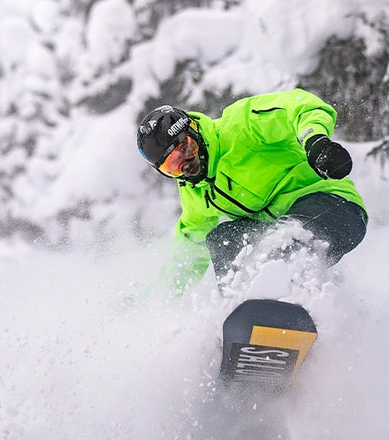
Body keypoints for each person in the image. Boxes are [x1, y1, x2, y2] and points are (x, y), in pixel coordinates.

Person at [136, 89, 367, 296]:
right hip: (279, 228)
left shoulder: (239, 126)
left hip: (335, 206)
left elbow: (298, 106)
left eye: (186, 148)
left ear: (194, 132)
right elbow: (187, 253)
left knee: (282, 241)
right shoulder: (196, 192)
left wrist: (315, 141)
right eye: (172, 166)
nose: (187, 164)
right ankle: (245, 311)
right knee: (224, 239)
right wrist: (154, 300)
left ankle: (285, 303)